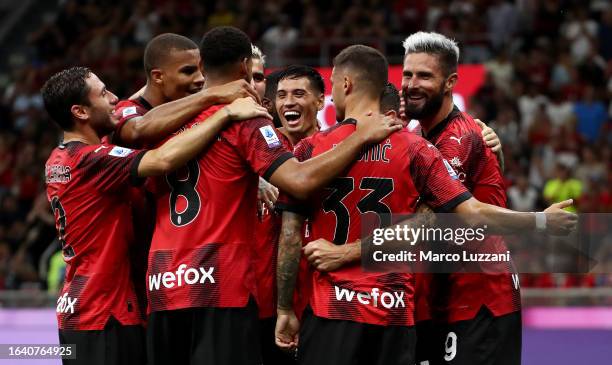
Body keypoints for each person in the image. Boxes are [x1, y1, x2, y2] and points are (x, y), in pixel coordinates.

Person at [274, 45, 577, 365]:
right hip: (393, 308)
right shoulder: (417, 146)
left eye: (423, 75)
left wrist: (284, 308)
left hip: (333, 308)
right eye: (407, 75)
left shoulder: (311, 149)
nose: (412, 83)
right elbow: (453, 216)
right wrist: (539, 221)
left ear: (346, 84)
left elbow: (291, 237)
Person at [144, 26, 402, 365]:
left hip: (163, 282)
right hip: (219, 283)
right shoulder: (248, 121)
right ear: (244, 69)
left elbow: (133, 127)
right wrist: (360, 137)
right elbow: (299, 181)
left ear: (203, 68)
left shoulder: (163, 121)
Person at [42, 66, 270, 365]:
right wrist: (223, 112)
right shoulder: (92, 161)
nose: (115, 99)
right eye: (103, 93)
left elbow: (133, 104)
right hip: (104, 312)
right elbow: (162, 159)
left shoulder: (61, 158)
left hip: (78, 308)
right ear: (80, 112)